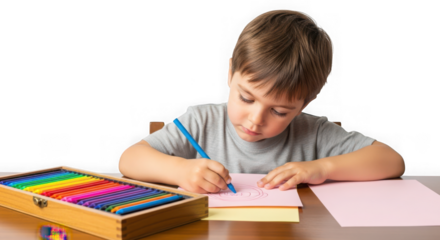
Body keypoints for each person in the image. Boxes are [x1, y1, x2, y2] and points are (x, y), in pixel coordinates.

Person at [118, 9, 405, 194]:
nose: (256, 119)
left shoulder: (314, 132)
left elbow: (392, 161)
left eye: (279, 111)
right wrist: (179, 169)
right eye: (246, 98)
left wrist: (321, 169)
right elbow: (129, 159)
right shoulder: (200, 121)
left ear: (304, 105)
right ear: (230, 73)